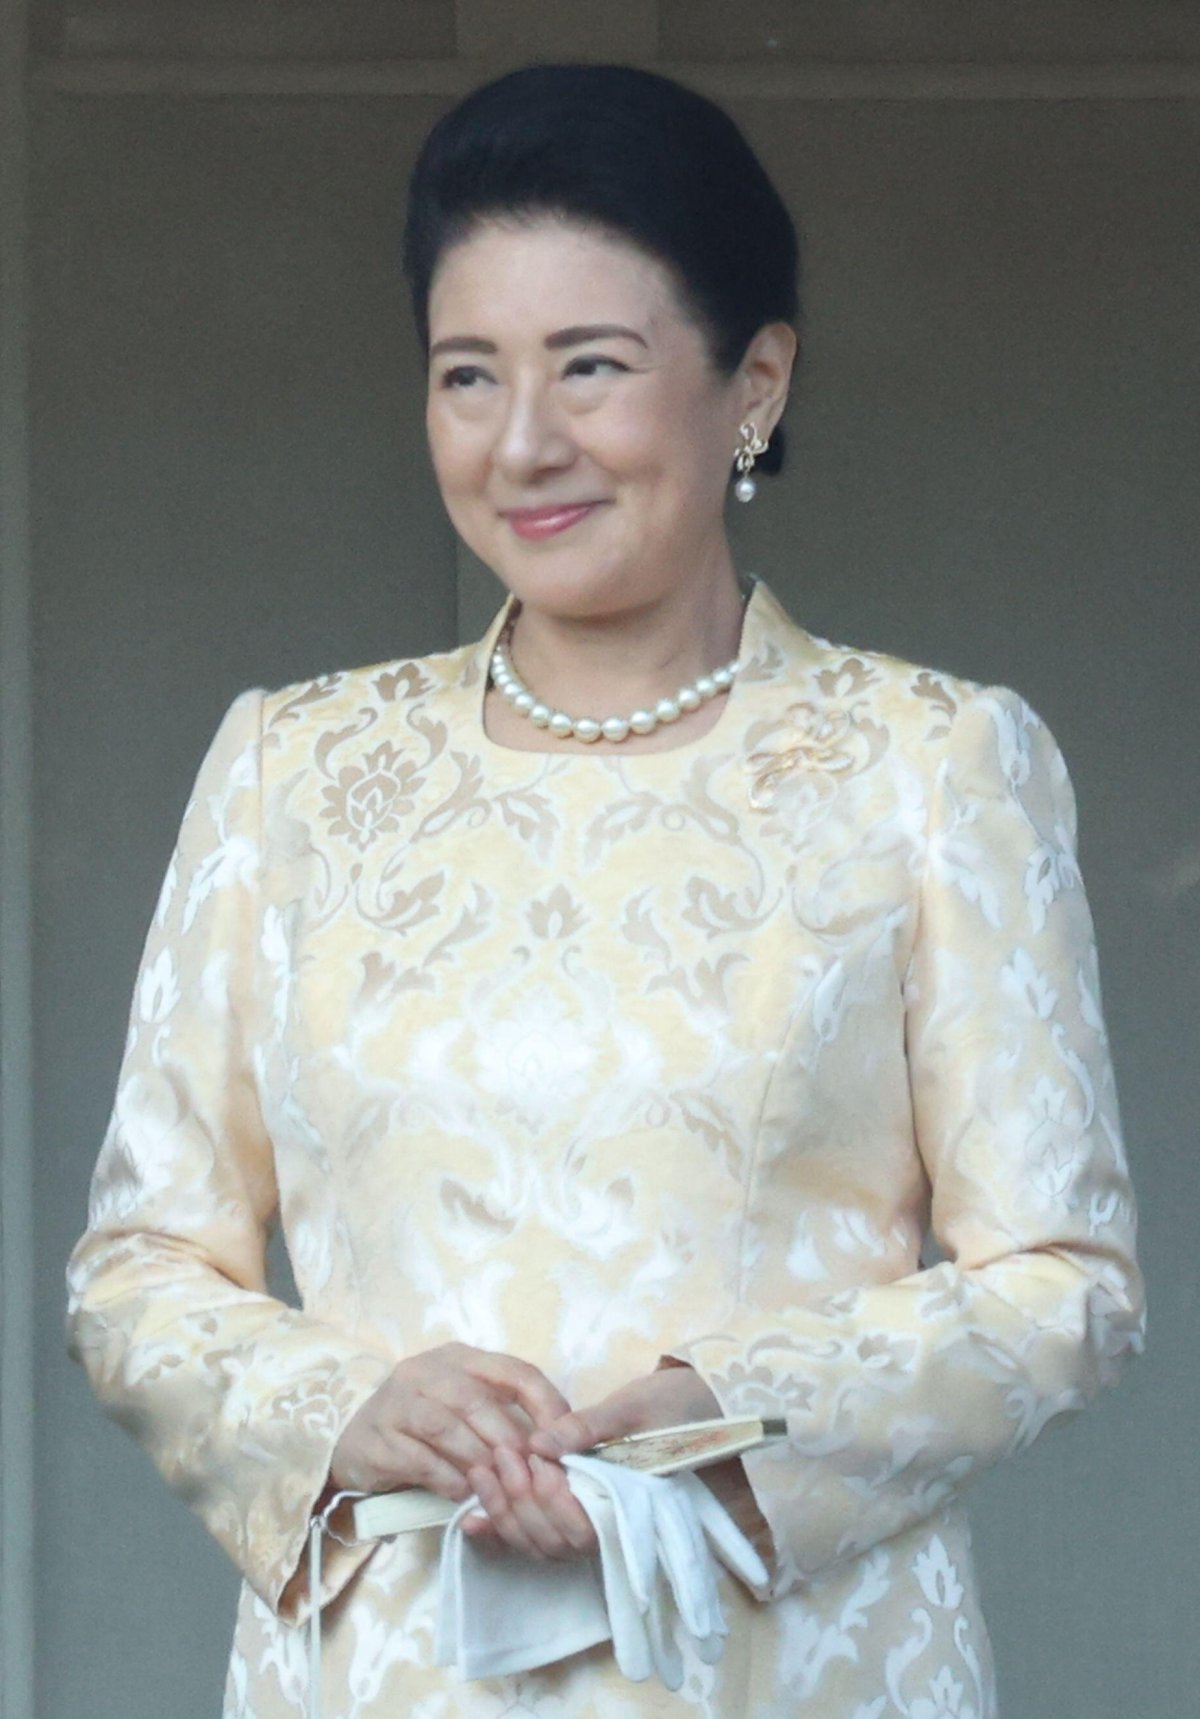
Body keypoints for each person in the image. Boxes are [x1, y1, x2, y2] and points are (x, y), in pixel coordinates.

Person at [67, 62, 1144, 1719]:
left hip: (788, 1671)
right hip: (383, 1672)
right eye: (465, 375)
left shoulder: (931, 763)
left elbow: (1065, 1281)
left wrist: (730, 1403)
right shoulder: (292, 769)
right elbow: (140, 1270)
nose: (523, 444)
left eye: (592, 367)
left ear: (754, 384)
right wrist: (343, 1407)